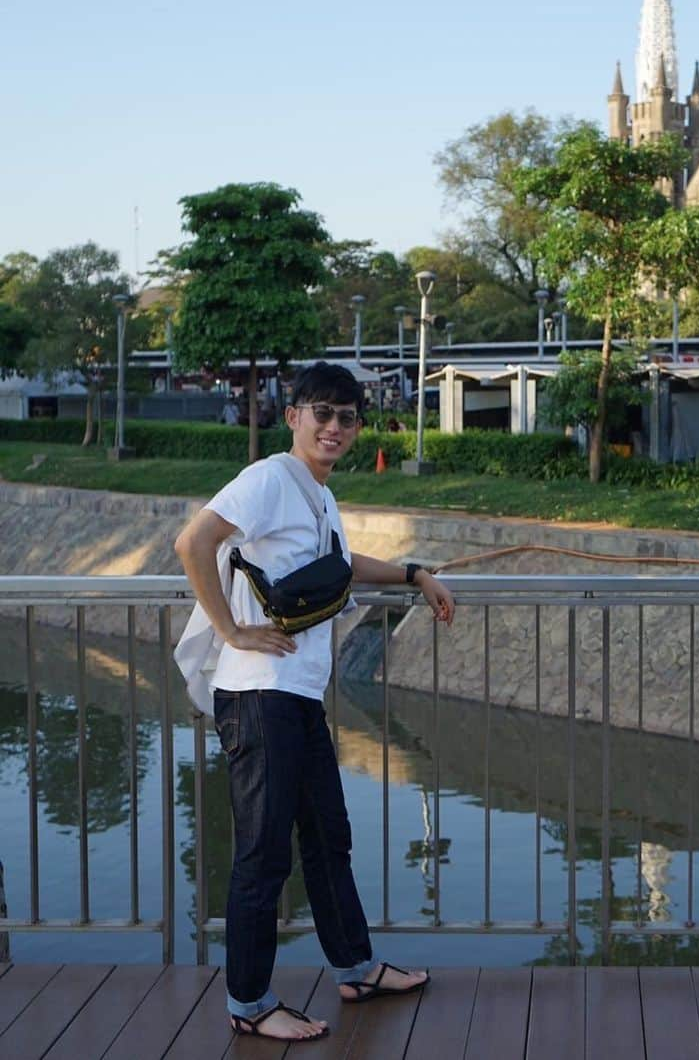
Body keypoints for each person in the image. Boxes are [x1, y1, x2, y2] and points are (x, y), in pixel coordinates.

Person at [174, 361, 455, 1042]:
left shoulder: (316, 495)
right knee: (264, 855)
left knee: (329, 839)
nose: (334, 427)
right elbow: (195, 541)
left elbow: (343, 563)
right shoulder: (270, 478)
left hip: (295, 696)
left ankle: (356, 967)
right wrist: (231, 628)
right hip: (258, 694)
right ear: (294, 415)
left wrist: (415, 573)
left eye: (347, 417)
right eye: (321, 413)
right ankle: (248, 1004)